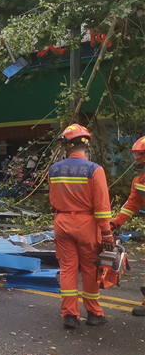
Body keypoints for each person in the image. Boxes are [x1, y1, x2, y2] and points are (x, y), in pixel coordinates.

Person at [48, 124, 114, 329]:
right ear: (86, 145)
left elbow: (53, 200)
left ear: (66, 145)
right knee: (90, 268)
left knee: (67, 269)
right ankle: (94, 313)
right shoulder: (95, 170)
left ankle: (70, 315)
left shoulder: (53, 170)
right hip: (87, 225)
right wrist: (107, 234)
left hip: (62, 222)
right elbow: (102, 208)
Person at [109, 135, 145, 317]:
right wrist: (115, 222)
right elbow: (131, 205)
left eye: (139, 154)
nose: (136, 159)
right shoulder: (139, 181)